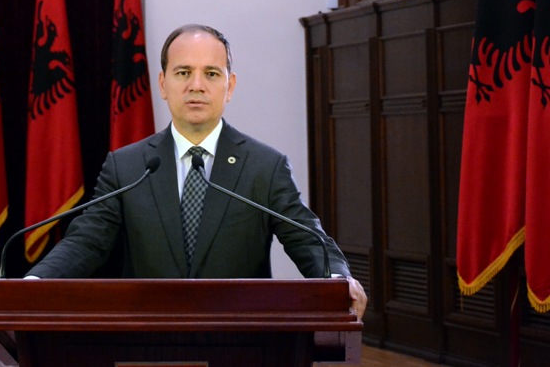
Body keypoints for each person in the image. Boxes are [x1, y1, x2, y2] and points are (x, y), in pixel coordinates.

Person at [26, 24, 367, 319]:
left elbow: (306, 237)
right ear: (163, 84)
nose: (197, 85)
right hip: (149, 339)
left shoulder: (264, 166)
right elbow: (87, 240)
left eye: (211, 74)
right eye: (183, 72)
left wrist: (336, 279)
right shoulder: (127, 166)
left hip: (243, 339)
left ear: (230, 86)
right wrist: (35, 283)